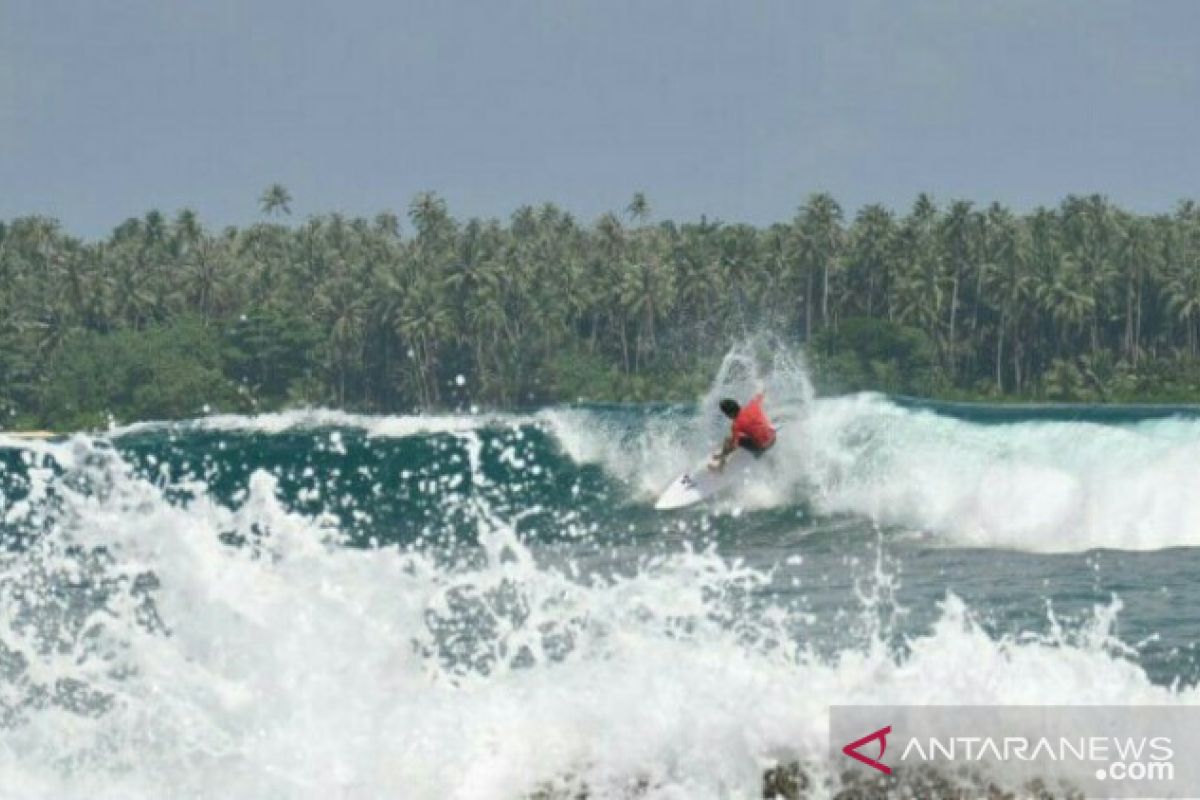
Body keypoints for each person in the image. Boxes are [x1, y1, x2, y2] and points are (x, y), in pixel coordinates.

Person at [709, 392, 776, 470]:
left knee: (728, 440)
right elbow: (761, 394)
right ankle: (771, 462)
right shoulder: (753, 405)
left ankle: (720, 466)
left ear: (729, 414)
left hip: (762, 446)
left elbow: (734, 445)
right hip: (773, 438)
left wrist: (726, 452)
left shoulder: (736, 424)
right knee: (758, 431)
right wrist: (760, 386)